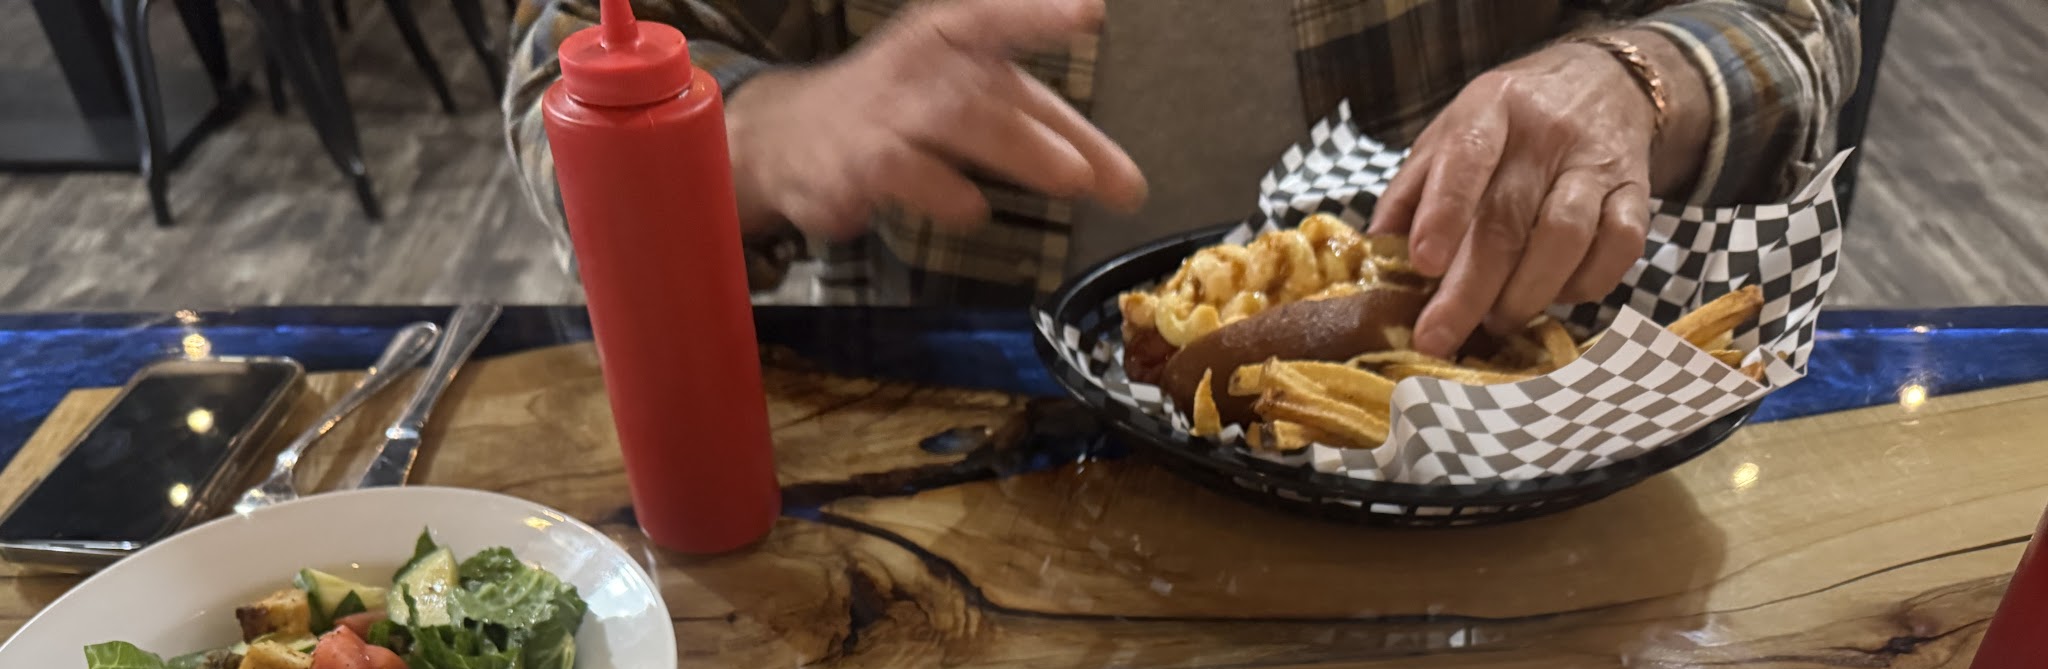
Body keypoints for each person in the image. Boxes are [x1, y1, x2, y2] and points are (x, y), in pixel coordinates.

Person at [506, 0, 1855, 356]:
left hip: (1469, 481)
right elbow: (554, 66)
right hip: (970, 460)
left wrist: (1638, 76)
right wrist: (754, 127)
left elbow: (1800, 28)